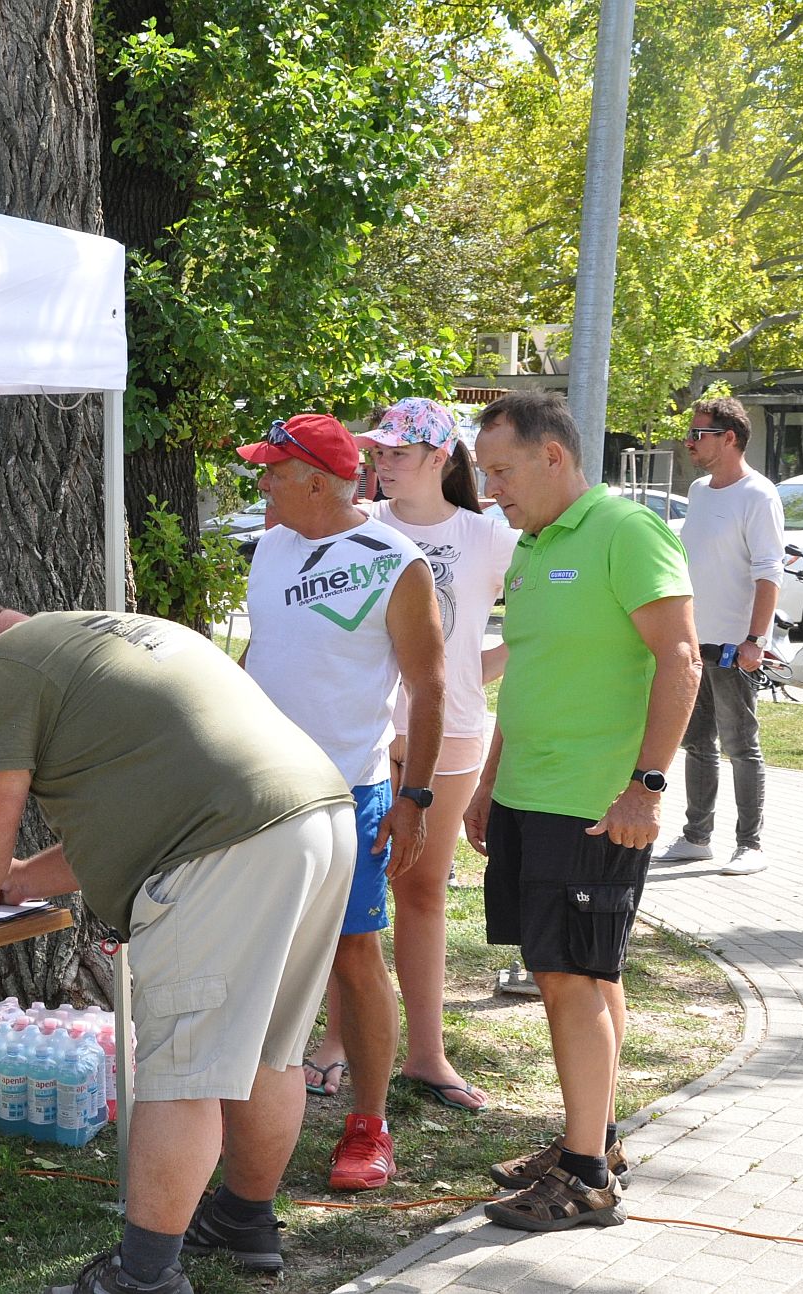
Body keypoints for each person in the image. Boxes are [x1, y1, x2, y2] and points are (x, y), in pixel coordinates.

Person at [0, 596, 353, 1294]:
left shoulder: (6, 663)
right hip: (317, 816)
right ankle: (243, 1220)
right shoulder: (106, 637)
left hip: (226, 843)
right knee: (272, 1050)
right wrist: (15, 880)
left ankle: (142, 1277)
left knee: (182, 1071)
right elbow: (137, 813)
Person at [463, 388, 698, 1233]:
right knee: (587, 974)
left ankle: (587, 1179)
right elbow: (531, 672)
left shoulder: (625, 530)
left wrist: (647, 786)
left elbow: (680, 659)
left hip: (594, 804)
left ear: (553, 455)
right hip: (529, 793)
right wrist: (489, 781)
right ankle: (591, 1139)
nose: (491, 490)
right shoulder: (533, 547)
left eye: (501, 471)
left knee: (570, 979)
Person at [237, 412, 445, 1193]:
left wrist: (414, 797)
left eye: (274, 470)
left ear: (320, 483)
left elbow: (430, 686)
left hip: (347, 791)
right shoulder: (272, 544)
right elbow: (264, 653)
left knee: (355, 955)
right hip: (259, 788)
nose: (263, 482)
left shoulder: (396, 562)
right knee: (260, 950)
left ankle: (369, 1124)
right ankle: (250, 1108)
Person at [331, 398, 517, 1113]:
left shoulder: (488, 535)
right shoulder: (359, 525)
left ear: (440, 458)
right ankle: (336, 1044)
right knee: (351, 896)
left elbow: (534, 628)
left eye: (397, 453)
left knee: (422, 892)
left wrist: (469, 673)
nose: (381, 464)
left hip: (453, 736)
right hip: (364, 737)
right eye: (377, 452)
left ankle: (427, 1055)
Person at [656, 396, 785, 876]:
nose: (689, 441)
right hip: (694, 642)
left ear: (729, 438)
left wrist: (756, 640)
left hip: (735, 648)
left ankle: (750, 845)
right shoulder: (700, 491)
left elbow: (769, 573)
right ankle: (697, 838)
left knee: (741, 746)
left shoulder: (758, 494)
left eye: (698, 434)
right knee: (696, 744)